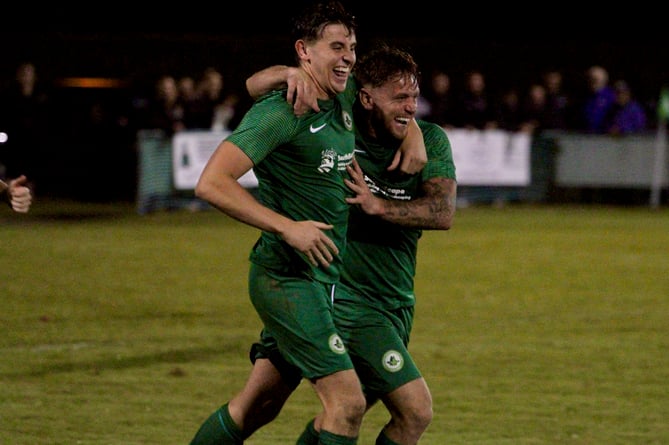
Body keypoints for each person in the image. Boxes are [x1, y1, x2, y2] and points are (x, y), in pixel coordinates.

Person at [189, 3, 426, 445]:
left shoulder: (344, 94)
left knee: (258, 405)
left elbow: (386, 95)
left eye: (352, 48)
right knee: (347, 404)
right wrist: (286, 226)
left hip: (322, 281)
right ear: (305, 51)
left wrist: (412, 132)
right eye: (336, 47)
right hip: (286, 279)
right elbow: (211, 183)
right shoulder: (280, 114)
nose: (348, 57)